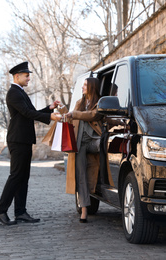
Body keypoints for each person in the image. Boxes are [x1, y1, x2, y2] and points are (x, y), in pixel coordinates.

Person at [0, 61, 62, 225]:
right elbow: (26, 112)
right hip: (17, 140)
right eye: (26, 75)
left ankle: (20, 212)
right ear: (17, 76)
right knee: (16, 176)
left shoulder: (20, 92)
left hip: (23, 140)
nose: (29, 78)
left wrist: (49, 108)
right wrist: (49, 117)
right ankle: (0, 211)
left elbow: (31, 113)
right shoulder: (14, 93)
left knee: (23, 177)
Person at [66, 78, 103, 223]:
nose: (83, 87)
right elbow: (71, 116)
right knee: (80, 174)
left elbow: (93, 115)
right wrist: (65, 111)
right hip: (80, 143)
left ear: (92, 87)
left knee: (104, 145)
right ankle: (84, 209)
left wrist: (74, 114)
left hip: (94, 140)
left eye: (86, 85)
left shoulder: (99, 103)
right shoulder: (79, 103)